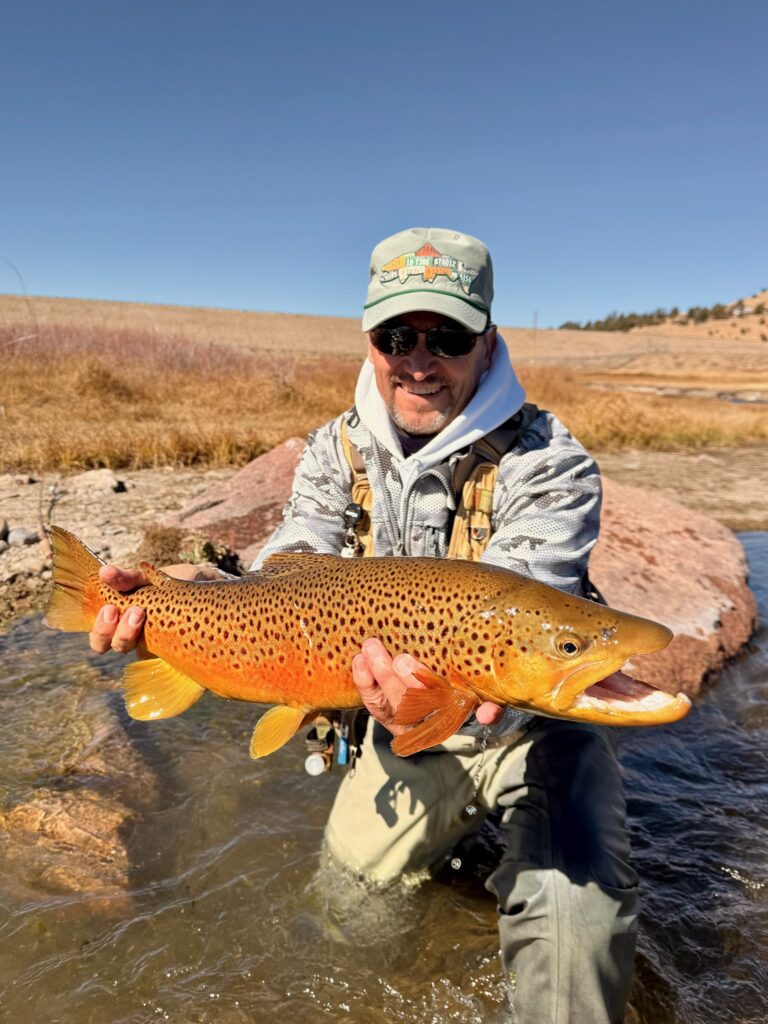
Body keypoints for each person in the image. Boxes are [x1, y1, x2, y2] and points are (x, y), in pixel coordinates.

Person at [89, 227, 639, 1023]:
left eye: (447, 336)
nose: (420, 359)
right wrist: (177, 601)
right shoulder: (333, 449)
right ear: (370, 339)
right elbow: (294, 563)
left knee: (575, 940)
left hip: (539, 729)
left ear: (488, 342)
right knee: (347, 913)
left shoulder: (550, 462)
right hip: (400, 721)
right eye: (397, 336)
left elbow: (528, 630)